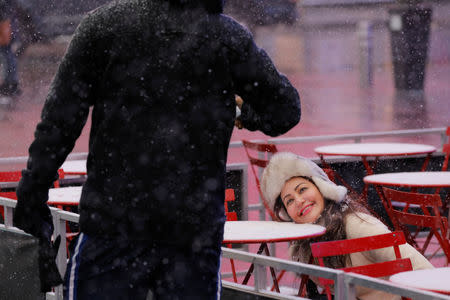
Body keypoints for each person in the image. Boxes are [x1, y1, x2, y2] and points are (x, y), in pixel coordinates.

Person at [12, 0, 301, 298]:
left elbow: (59, 124)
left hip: (114, 224)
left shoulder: (104, 26)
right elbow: (285, 110)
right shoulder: (225, 36)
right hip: (192, 231)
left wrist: (32, 204)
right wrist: (239, 112)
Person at [260, 152, 433, 300]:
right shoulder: (301, 248)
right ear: (286, 214)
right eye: (289, 200)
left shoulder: (358, 225)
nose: (298, 201)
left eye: (302, 189)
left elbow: (422, 270)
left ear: (322, 188)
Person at [0, 0, 20, 97]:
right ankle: (11, 83)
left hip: (5, 25)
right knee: (7, 54)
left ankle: (10, 83)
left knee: (6, 54)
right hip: (7, 24)